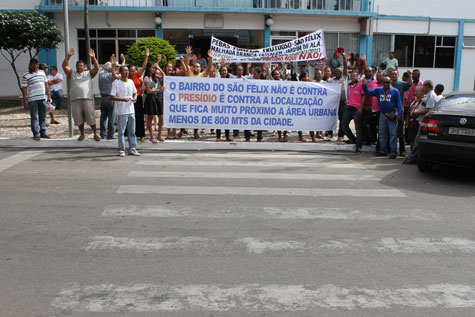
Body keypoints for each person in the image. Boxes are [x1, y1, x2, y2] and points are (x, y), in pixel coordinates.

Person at [62, 48, 100, 141]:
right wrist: (69, 56)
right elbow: (64, 66)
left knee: (90, 117)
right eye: (78, 65)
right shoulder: (72, 73)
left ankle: (95, 133)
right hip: (75, 99)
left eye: (81, 65)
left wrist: (93, 58)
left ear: (84, 67)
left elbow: (97, 68)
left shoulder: (88, 73)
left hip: (87, 98)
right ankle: (82, 134)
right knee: (78, 118)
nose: (79, 67)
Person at [362, 76, 403, 159]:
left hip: (392, 114)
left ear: (390, 83)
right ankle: (383, 151)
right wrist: (364, 86)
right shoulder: (378, 90)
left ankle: (393, 152)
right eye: (384, 82)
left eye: (388, 82)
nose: (386, 84)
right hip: (382, 115)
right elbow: (368, 92)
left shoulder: (395, 91)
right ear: (382, 83)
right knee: (382, 133)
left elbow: (399, 103)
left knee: (392, 134)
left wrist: (400, 114)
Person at [403, 80, 438, 164]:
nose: (423, 89)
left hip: (425, 123)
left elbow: (429, 109)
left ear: (427, 87)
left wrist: (418, 112)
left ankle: (412, 158)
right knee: (416, 140)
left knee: (418, 140)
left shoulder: (431, 96)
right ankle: (413, 157)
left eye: (423, 87)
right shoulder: (428, 95)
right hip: (421, 121)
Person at [110, 65, 140, 157]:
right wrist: (122, 99)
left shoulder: (131, 82)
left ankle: (132, 148)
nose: (127, 72)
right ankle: (121, 149)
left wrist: (135, 97)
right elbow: (112, 96)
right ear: (121, 72)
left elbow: (135, 92)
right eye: (125, 70)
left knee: (132, 131)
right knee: (121, 132)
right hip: (122, 111)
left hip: (131, 110)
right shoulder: (117, 83)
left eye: (128, 70)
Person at [22, 58, 52, 140]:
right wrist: (25, 99)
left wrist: (49, 96)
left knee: (43, 116)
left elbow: (46, 85)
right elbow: (24, 88)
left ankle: (43, 132)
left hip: (42, 97)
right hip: (33, 99)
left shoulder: (42, 73)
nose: (35, 65)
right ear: (30, 65)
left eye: (36, 64)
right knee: (34, 116)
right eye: (33, 64)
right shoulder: (26, 75)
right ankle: (36, 133)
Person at [128, 48, 149, 142]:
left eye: (133, 71)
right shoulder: (125, 77)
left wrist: (146, 56)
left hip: (138, 98)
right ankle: (131, 134)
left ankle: (141, 135)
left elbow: (144, 67)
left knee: (139, 116)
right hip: (129, 99)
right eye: (131, 71)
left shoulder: (137, 75)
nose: (133, 72)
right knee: (130, 117)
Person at [327, 51, 349, 141]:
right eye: (336, 71)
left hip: (343, 102)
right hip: (333, 102)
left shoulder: (344, 78)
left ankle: (341, 135)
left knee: (342, 119)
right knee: (331, 118)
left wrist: (344, 57)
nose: (337, 73)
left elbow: (346, 67)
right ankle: (329, 134)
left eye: (339, 71)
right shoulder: (331, 81)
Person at [342, 71, 365, 153]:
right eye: (352, 76)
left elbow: (363, 96)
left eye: (355, 76)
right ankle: (353, 139)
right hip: (349, 107)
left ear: (357, 77)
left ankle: (359, 147)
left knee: (358, 128)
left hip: (357, 108)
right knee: (344, 125)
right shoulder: (349, 86)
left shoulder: (360, 85)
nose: (353, 77)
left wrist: (361, 108)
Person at [98, 56, 120, 140]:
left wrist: (110, 63)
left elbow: (103, 69)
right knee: (112, 117)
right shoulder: (111, 76)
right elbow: (116, 73)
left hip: (102, 98)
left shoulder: (101, 75)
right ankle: (110, 135)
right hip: (111, 98)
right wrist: (113, 64)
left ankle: (102, 134)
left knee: (103, 117)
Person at [143, 59, 164, 143]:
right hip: (150, 97)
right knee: (150, 118)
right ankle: (152, 136)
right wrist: (159, 90)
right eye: (153, 68)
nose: (154, 69)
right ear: (149, 68)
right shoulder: (146, 78)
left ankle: (159, 134)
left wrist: (159, 68)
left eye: (155, 68)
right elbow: (148, 91)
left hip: (156, 97)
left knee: (161, 116)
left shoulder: (155, 77)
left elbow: (164, 75)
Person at [215, 66, 234, 142]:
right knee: (218, 121)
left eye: (225, 70)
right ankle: (218, 136)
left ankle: (227, 136)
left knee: (226, 121)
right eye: (222, 70)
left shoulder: (230, 81)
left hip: (227, 103)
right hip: (219, 103)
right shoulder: (217, 80)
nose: (224, 72)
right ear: (220, 72)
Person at [406, 86, 424, 151]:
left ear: (422, 92)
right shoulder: (413, 99)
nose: (415, 93)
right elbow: (409, 110)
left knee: (416, 138)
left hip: (417, 122)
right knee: (411, 138)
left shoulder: (423, 101)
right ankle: (412, 152)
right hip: (411, 122)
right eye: (415, 91)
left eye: (417, 91)